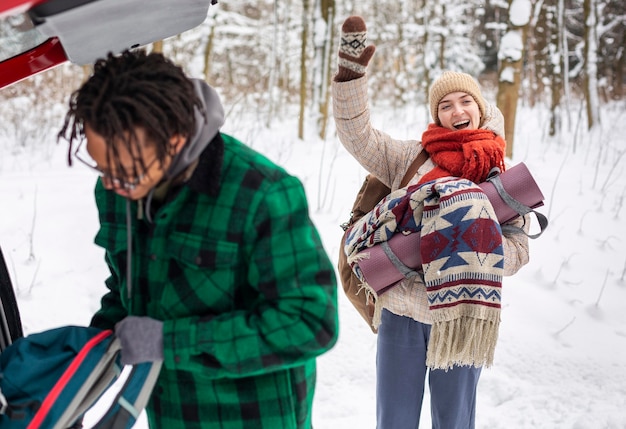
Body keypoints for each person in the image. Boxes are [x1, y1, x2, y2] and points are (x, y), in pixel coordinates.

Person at [58, 49, 338, 429]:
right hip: (172, 413)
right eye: (100, 165)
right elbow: (127, 290)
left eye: (123, 169)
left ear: (173, 139)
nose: (109, 183)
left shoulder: (263, 194)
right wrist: (83, 354)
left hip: (255, 416)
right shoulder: (115, 192)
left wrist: (168, 342)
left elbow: (310, 322)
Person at [332, 16, 530, 429]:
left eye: (465, 101)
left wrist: (470, 246)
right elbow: (357, 136)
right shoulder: (411, 158)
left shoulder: (498, 174)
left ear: (479, 108)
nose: (457, 110)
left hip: (463, 317)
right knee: (395, 421)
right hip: (403, 310)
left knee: (455, 422)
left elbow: (518, 250)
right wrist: (351, 79)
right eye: (445, 105)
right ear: (437, 116)